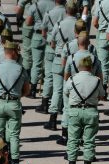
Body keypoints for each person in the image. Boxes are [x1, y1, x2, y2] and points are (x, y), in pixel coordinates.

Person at [62, 56, 105, 164]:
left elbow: (66, 92)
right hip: (91, 112)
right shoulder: (96, 80)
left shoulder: (72, 79)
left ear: (79, 67)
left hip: (75, 112)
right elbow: (102, 95)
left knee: (73, 140)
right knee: (89, 140)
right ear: (91, 67)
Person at [0, 41, 30, 163]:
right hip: (14, 104)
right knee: (14, 135)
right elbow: (27, 90)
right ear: (13, 52)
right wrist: (16, 96)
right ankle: (15, 160)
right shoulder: (21, 70)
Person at [44, 0, 77, 132]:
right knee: (71, 92)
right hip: (74, 61)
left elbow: (52, 44)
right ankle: (68, 121)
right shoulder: (79, 25)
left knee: (57, 90)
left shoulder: (58, 25)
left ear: (66, 11)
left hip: (59, 60)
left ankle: (53, 120)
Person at [26, 0, 55, 98]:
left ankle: (33, 89)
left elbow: (28, 22)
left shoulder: (35, 6)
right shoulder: (54, 5)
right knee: (48, 65)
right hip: (50, 36)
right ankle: (48, 89)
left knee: (36, 64)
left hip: (37, 36)